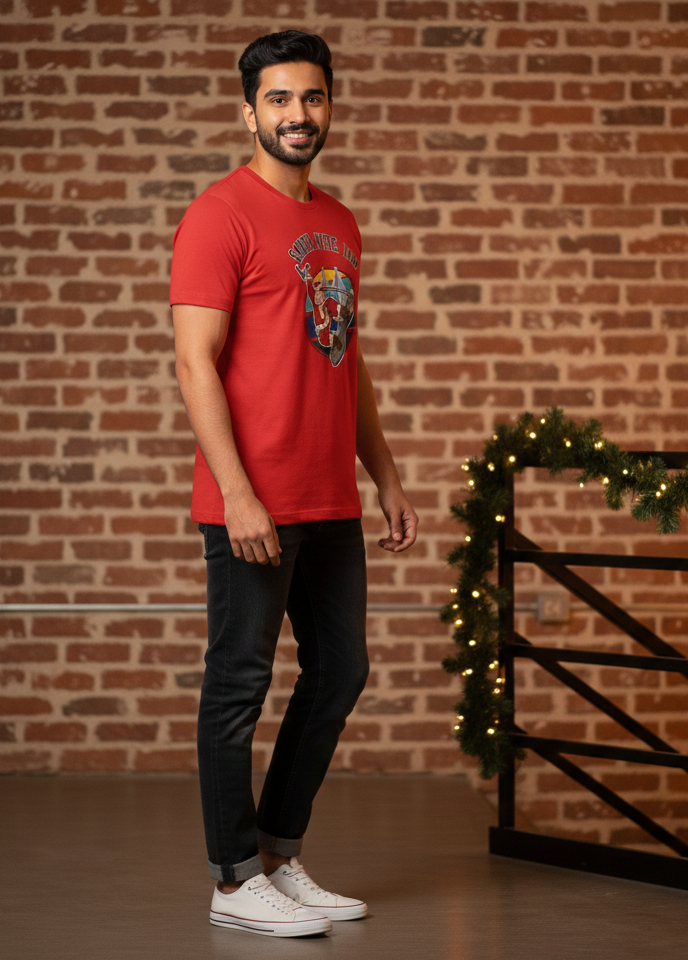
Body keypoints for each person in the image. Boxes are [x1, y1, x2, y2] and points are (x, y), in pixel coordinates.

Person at [170, 30, 418, 938]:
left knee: (341, 669)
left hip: (329, 497)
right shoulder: (218, 215)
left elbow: (344, 360)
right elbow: (196, 363)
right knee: (238, 684)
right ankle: (234, 883)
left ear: (328, 107)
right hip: (254, 498)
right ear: (249, 111)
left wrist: (384, 473)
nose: (296, 115)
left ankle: (279, 854)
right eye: (278, 100)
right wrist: (235, 492)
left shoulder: (340, 224)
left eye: (311, 98)